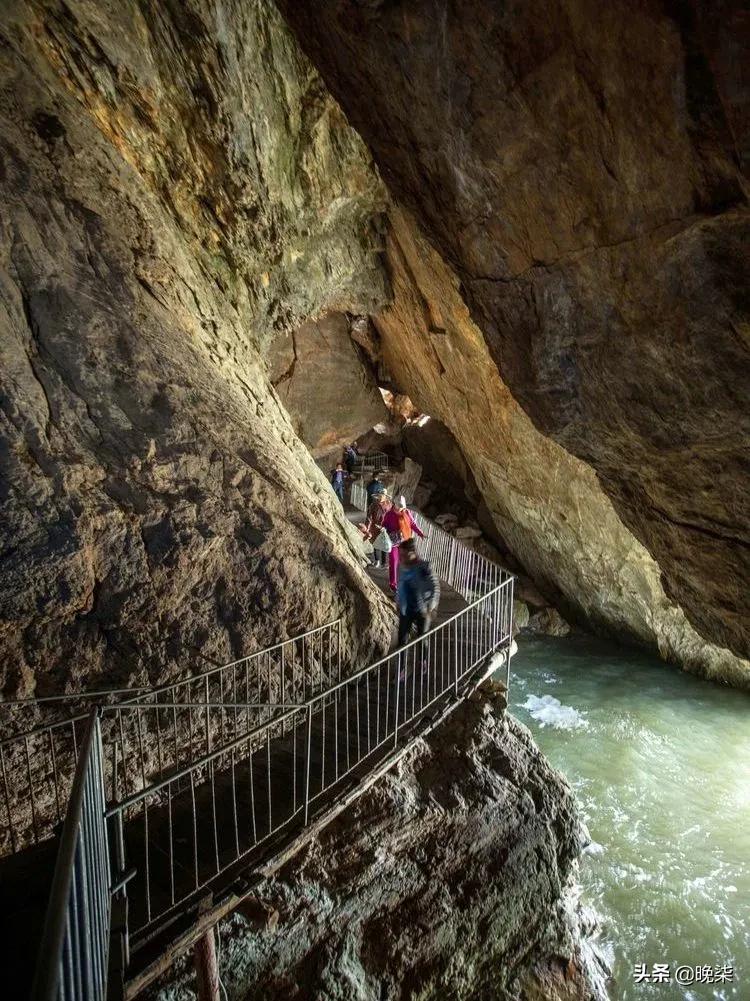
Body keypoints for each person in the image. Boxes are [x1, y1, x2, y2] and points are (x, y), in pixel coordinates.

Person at [397, 538, 440, 647]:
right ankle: (401, 664)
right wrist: (398, 601)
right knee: (402, 641)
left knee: (422, 639)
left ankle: (422, 663)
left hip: (422, 609)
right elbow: (401, 585)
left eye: (403, 554)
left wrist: (432, 607)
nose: (401, 557)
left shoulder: (424, 567)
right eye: (400, 554)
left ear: (412, 553)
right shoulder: (402, 567)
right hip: (405, 610)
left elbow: (434, 587)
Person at [382, 495, 425, 592]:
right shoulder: (389, 514)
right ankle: (393, 584)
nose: (401, 508)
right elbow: (384, 525)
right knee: (393, 562)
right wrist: (384, 530)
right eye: (399, 506)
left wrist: (420, 533)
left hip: (404, 541)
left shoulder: (406, 512)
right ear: (395, 505)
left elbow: (412, 524)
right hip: (393, 542)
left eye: (402, 507)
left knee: (407, 563)